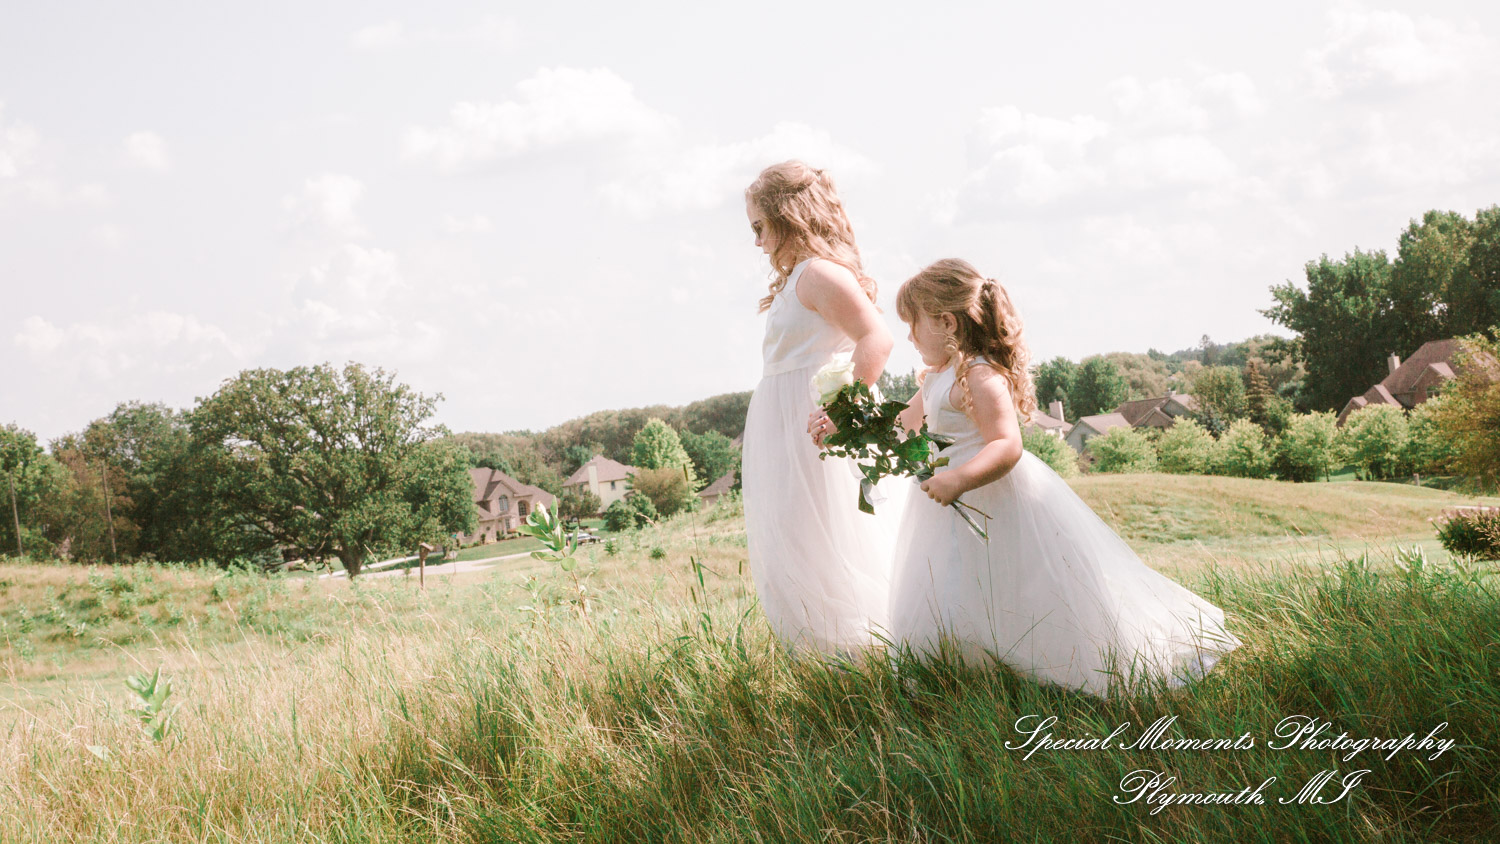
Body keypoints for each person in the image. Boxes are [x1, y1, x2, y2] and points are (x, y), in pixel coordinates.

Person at [879, 258, 1241, 697]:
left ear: (946, 322)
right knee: (951, 584)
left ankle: (1037, 668)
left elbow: (1006, 444)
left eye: (913, 325)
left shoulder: (979, 376)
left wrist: (959, 479)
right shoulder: (936, 377)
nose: (910, 337)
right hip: (946, 505)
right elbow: (905, 422)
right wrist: (852, 424)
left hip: (990, 497)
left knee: (1012, 585)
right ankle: (962, 676)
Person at [740, 160, 909, 658]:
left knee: (837, 537)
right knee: (800, 540)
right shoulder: (798, 278)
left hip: (822, 429)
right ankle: (827, 657)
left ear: (789, 216)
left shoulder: (818, 274)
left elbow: (877, 338)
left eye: (759, 227)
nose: (756, 243)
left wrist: (844, 410)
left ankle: (869, 650)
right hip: (790, 430)